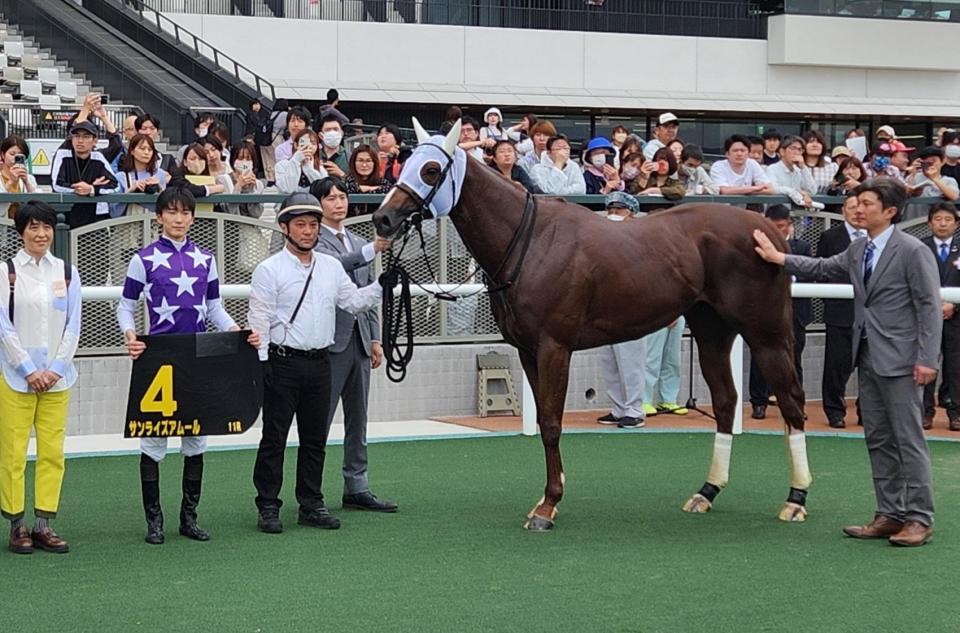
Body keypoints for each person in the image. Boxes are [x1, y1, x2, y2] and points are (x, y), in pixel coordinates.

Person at [753, 178, 941, 547]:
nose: (858, 208)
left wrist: (926, 359)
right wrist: (779, 259)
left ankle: (919, 518)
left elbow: (929, 306)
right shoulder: (859, 250)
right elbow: (821, 267)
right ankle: (889, 514)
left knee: (908, 440)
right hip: (867, 356)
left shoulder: (912, 250)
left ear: (890, 211)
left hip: (904, 360)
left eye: (867, 203)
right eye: (856, 202)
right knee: (879, 438)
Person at [117, 187, 258, 545]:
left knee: (196, 438)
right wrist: (130, 335)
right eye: (172, 212)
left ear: (193, 218)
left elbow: (214, 308)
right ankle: (155, 521)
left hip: (198, 358)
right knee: (153, 440)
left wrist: (234, 330)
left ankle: (188, 518)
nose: (179, 219)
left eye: (185, 213)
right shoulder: (143, 259)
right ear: (159, 216)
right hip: (158, 358)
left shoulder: (206, 259)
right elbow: (125, 305)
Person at [247, 193, 383, 534]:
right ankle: (267, 505)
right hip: (282, 362)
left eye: (312, 225)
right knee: (274, 437)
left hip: (320, 362)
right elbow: (259, 320)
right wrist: (261, 363)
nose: (308, 231)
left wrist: (383, 286)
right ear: (284, 228)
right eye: (300, 225)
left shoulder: (331, 266)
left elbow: (352, 302)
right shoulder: (269, 269)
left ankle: (311, 503)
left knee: (314, 438)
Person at [310, 178, 397, 511]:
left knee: (357, 420)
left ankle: (356, 485)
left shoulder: (358, 239)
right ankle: (312, 490)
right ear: (318, 205)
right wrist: (371, 250)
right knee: (320, 418)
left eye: (342, 197)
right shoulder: (315, 242)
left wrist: (376, 338)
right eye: (330, 198)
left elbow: (367, 294)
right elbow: (337, 267)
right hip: (329, 342)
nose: (338, 203)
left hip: (359, 340)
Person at [0, 201, 81, 555]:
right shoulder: (6, 272)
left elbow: (73, 325)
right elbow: (3, 325)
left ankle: (44, 524)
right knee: (13, 454)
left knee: (52, 453)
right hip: (16, 379)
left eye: (46, 227)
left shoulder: (65, 271)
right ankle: (17, 526)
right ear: (21, 232)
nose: (41, 234)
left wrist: (55, 369)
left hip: (57, 379)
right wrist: (28, 370)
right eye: (33, 227)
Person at [748, 205, 811, 420]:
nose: (777, 230)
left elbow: (808, 274)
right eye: (772, 226)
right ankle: (759, 402)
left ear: (789, 226)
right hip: (765, 311)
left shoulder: (801, 246)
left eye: (781, 226)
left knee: (795, 357)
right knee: (760, 356)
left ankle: (796, 403)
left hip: (795, 311)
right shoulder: (754, 247)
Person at [595, 192, 647, 429]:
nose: (614, 215)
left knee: (631, 361)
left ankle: (634, 410)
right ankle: (618, 408)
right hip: (604, 309)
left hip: (632, 308)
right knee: (609, 361)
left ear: (632, 214)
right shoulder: (600, 241)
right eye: (611, 211)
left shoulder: (642, 242)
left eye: (620, 211)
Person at [817, 194, 867, 429]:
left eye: (862, 206)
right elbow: (823, 271)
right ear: (844, 211)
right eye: (852, 207)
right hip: (840, 312)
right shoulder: (830, 237)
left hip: (870, 315)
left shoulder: (875, 237)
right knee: (837, 365)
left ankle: (867, 411)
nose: (858, 211)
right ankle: (835, 411)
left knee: (869, 366)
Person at [920, 202, 960, 432]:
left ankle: (956, 414)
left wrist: (953, 304)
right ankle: (925, 412)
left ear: (955, 223)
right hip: (926, 318)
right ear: (929, 222)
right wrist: (935, 305)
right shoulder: (920, 248)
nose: (943, 224)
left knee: (956, 369)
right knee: (927, 365)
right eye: (938, 219)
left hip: (956, 319)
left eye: (948, 219)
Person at [50, 120, 121, 229]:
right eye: (76, 136)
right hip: (67, 218)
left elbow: (115, 185)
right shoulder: (62, 154)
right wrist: (83, 189)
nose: (80, 140)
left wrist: (92, 189)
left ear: (95, 140)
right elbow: (57, 185)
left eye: (86, 136)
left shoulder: (98, 157)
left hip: (92, 220)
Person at [113, 133, 169, 217]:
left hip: (153, 225)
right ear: (132, 151)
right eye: (142, 148)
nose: (146, 152)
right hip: (129, 226)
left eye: (150, 150)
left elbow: (165, 209)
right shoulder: (121, 177)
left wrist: (158, 189)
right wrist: (129, 192)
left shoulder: (160, 174)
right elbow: (114, 213)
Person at [168, 143, 228, 213]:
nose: (197, 162)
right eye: (192, 159)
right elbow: (189, 189)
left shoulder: (210, 178)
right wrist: (212, 189)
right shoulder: (177, 177)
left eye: (201, 159)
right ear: (185, 162)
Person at [709, 134, 774, 196]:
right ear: (727, 154)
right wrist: (755, 188)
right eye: (735, 150)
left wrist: (744, 191)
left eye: (743, 150)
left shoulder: (752, 163)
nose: (739, 154)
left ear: (748, 153)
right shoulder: (718, 166)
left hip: (743, 207)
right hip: (722, 206)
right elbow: (724, 190)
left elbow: (770, 189)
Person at [766, 135, 817, 209]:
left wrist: (803, 168)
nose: (796, 152)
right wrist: (796, 192)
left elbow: (812, 191)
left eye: (800, 150)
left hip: (798, 215)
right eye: (793, 148)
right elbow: (773, 189)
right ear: (782, 151)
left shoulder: (799, 171)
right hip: (777, 214)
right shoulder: (772, 169)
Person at [275, 129, 328, 194]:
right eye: (304, 142)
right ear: (296, 145)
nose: (309, 146)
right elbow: (287, 189)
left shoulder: (320, 167)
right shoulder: (282, 165)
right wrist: (295, 161)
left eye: (313, 143)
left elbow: (323, 190)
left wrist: (309, 170)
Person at [0, 135, 38, 219]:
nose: (15, 158)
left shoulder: (29, 178)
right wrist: (10, 181)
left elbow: (38, 203)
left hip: (23, 226)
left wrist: (26, 182)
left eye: (20, 155)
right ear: (3, 155)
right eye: (12, 154)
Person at [802, 130, 838, 194]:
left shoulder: (833, 167)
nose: (815, 145)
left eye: (819, 142)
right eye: (811, 142)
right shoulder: (796, 167)